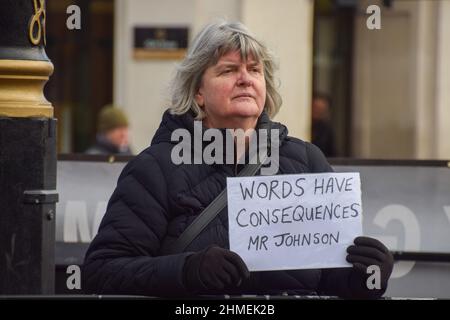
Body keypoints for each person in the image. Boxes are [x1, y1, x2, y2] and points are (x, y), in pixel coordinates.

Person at [82, 21, 393, 298]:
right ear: (199, 92)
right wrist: (188, 271)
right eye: (228, 70)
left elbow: (330, 282)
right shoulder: (156, 168)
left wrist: (366, 276)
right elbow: (102, 272)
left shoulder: (308, 160)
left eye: (254, 70)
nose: (245, 79)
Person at [311, 93, 336, 157]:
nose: (318, 112)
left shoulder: (325, 130)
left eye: (321, 110)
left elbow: (332, 152)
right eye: (316, 108)